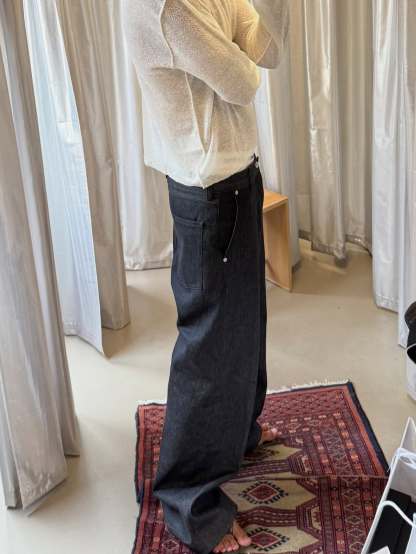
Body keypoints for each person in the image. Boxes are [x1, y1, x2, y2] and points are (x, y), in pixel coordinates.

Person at [121, 1, 289, 552]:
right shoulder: (166, 7)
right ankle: (189, 503)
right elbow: (243, 83)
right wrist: (237, 45)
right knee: (209, 347)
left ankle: (239, 433)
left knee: (245, 327)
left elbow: (268, 52)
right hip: (207, 190)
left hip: (238, 176)